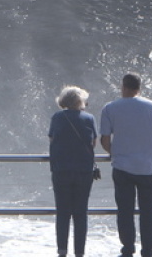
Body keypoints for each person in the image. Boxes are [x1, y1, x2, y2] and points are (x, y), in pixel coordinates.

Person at [100, 72, 152, 257]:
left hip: (122, 167)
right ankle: (147, 251)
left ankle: (128, 249)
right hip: (148, 167)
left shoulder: (110, 108)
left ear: (123, 87)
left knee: (125, 211)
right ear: (139, 87)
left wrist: (116, 154)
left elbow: (105, 140)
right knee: (148, 211)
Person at [48, 85, 98, 257]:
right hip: (84, 171)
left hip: (61, 169)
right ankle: (79, 253)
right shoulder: (89, 118)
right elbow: (93, 143)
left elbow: (52, 138)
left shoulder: (57, 117)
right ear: (79, 101)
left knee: (62, 213)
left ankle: (62, 252)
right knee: (80, 213)